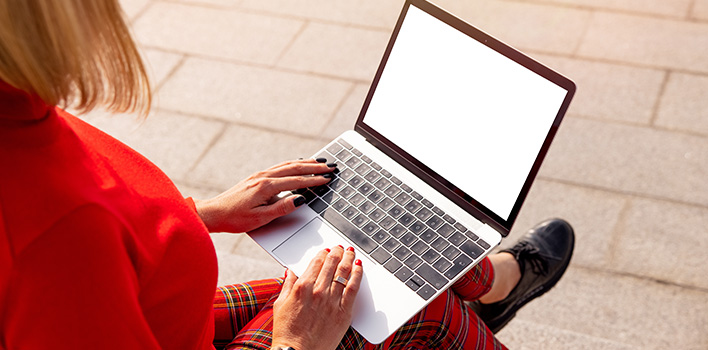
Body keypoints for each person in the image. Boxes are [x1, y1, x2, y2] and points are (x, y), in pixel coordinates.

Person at [0, 1, 574, 349]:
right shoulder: (60, 240)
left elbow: (97, 232)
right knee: (409, 304)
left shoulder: (17, 115)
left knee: (383, 282)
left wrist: (191, 215)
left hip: (167, 316)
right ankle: (490, 286)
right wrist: (296, 343)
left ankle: (486, 283)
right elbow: (67, 252)